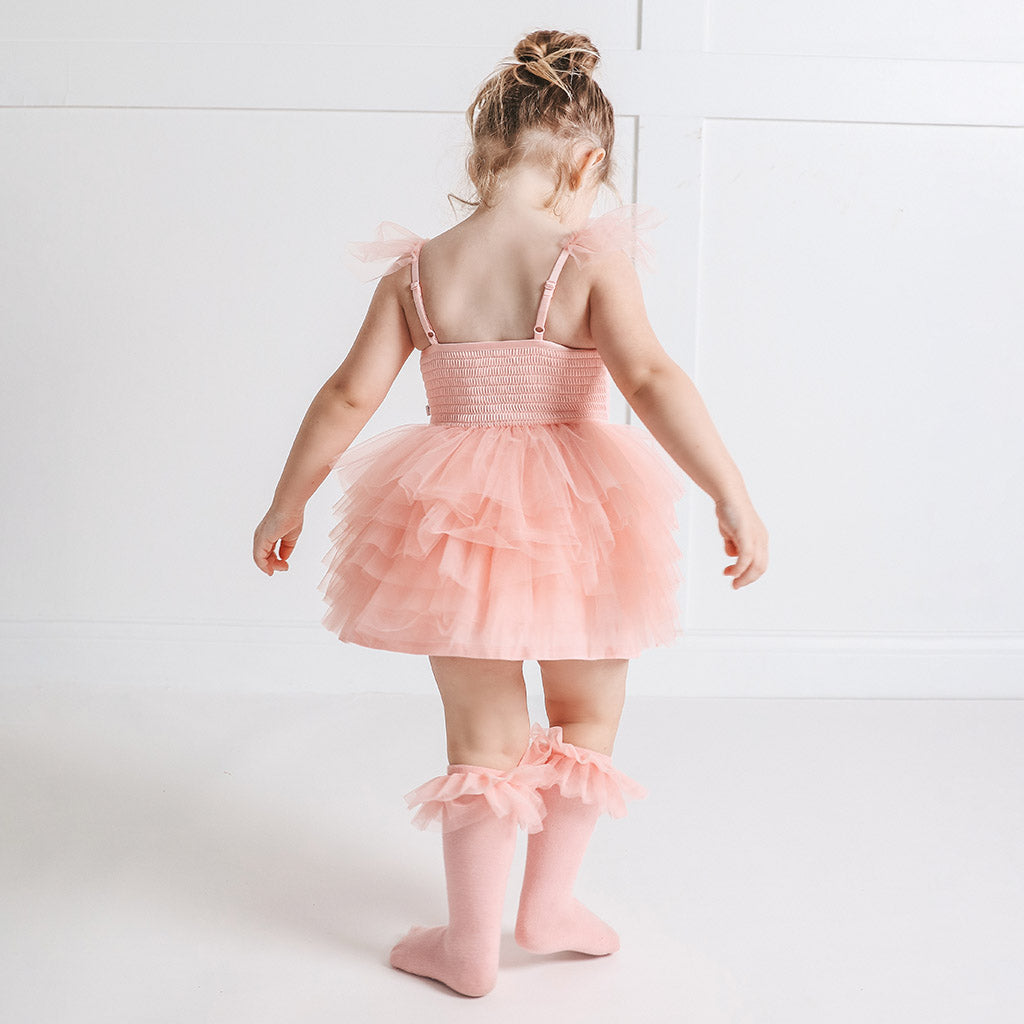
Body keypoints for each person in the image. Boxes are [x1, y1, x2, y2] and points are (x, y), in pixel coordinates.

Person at [252, 29, 768, 998]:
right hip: (584, 514)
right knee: (586, 712)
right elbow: (650, 377)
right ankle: (547, 907)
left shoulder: (417, 272)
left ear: (482, 153)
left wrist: (289, 499)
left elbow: (344, 397)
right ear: (587, 163)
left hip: (454, 522)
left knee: (481, 736)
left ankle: (469, 946)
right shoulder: (586, 257)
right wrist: (726, 490)